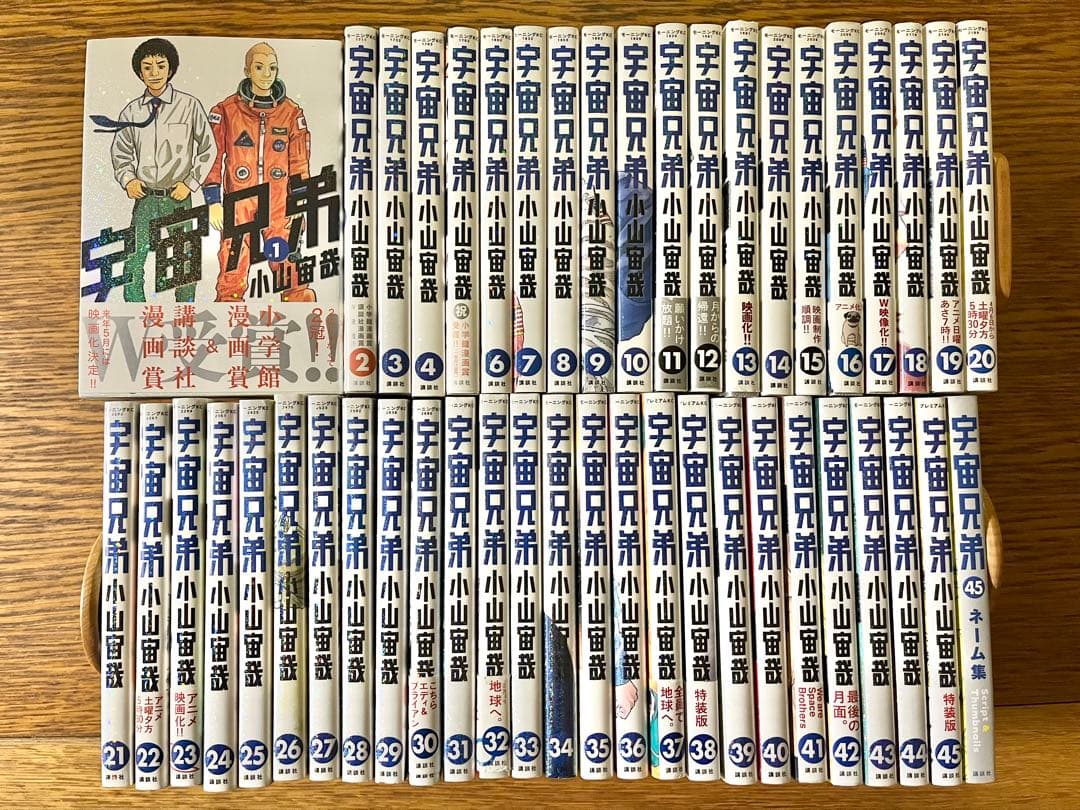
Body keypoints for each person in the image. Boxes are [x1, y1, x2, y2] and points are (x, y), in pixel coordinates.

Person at [92, 38, 214, 302]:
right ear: (139, 72)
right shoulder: (131, 111)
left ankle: (186, 315)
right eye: (147, 67)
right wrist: (128, 180)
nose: (155, 73)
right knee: (134, 259)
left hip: (179, 197)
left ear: (171, 69)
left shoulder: (189, 105)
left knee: (185, 261)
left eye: (161, 65)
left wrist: (190, 183)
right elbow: (121, 152)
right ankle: (135, 312)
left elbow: (208, 148)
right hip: (145, 197)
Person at [203, 42, 315, 302]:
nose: (267, 74)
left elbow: (299, 163)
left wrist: (299, 202)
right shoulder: (226, 111)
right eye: (259, 67)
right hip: (239, 200)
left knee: (287, 260)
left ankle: (300, 309)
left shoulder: (291, 113)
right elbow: (212, 159)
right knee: (233, 259)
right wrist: (213, 201)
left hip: (278, 201)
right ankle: (229, 311)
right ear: (247, 70)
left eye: (272, 68)